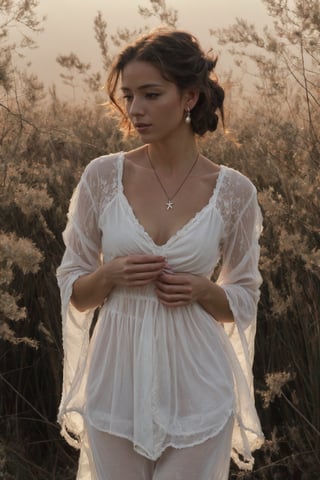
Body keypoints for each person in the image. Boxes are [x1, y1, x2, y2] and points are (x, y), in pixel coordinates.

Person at [56, 27, 264, 480]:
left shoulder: (234, 192)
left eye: (151, 94)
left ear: (190, 97)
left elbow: (244, 298)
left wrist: (204, 290)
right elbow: (75, 290)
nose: (135, 110)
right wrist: (109, 275)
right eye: (129, 95)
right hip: (114, 384)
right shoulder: (102, 177)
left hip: (199, 384)